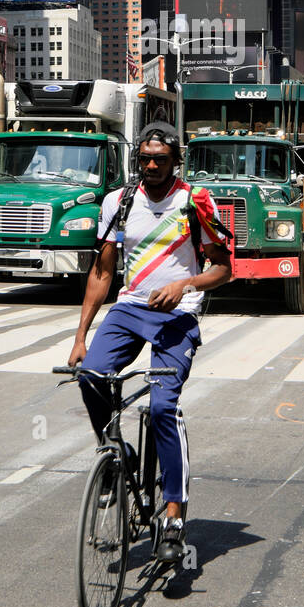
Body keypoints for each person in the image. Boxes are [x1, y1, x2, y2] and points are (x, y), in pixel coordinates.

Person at [67, 123, 232, 564]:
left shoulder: (195, 202)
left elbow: (223, 269)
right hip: (129, 309)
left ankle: (175, 512)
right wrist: (81, 336)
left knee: (162, 408)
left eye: (161, 159)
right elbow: (102, 273)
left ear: (176, 160)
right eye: (145, 159)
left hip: (177, 316)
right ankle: (116, 455)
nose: (152, 166)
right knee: (91, 378)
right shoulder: (118, 203)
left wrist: (187, 284)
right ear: (136, 160)